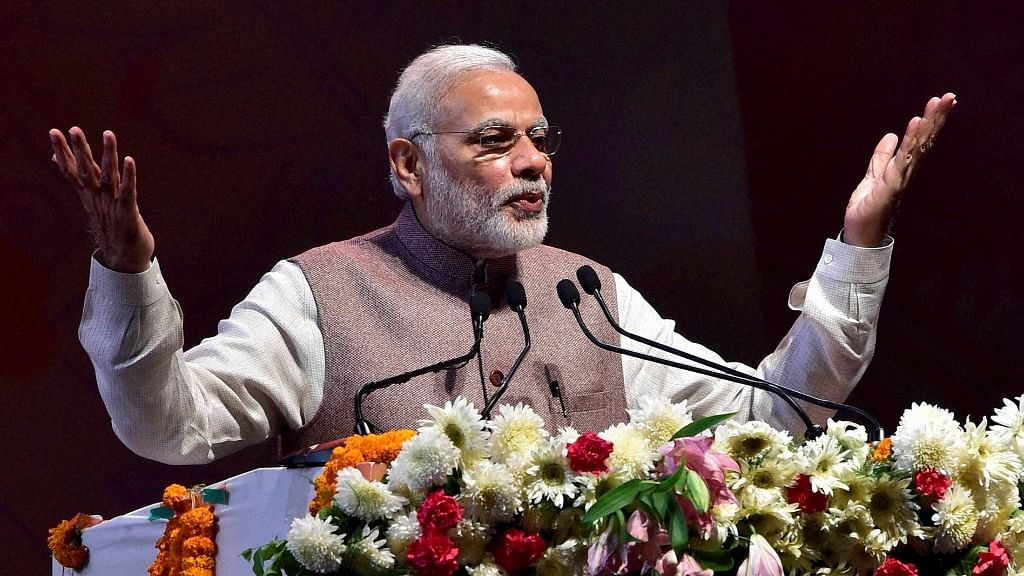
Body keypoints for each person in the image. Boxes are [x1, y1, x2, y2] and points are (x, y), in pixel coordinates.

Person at [49, 45, 955, 465]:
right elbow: (165, 426)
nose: (533, 163)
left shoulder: (586, 293)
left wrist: (860, 239)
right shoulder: (317, 293)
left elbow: (779, 409)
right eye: (493, 141)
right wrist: (129, 275)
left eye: (539, 137)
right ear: (407, 163)